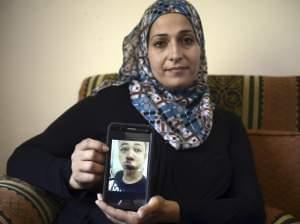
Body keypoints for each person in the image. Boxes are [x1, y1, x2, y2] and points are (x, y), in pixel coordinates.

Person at [7, 0, 266, 223]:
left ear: (201, 49)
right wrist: (71, 175)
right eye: (160, 43)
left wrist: (174, 212)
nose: (175, 53)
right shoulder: (108, 102)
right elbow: (21, 158)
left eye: (187, 40)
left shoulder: (226, 124)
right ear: (144, 53)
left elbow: (252, 210)